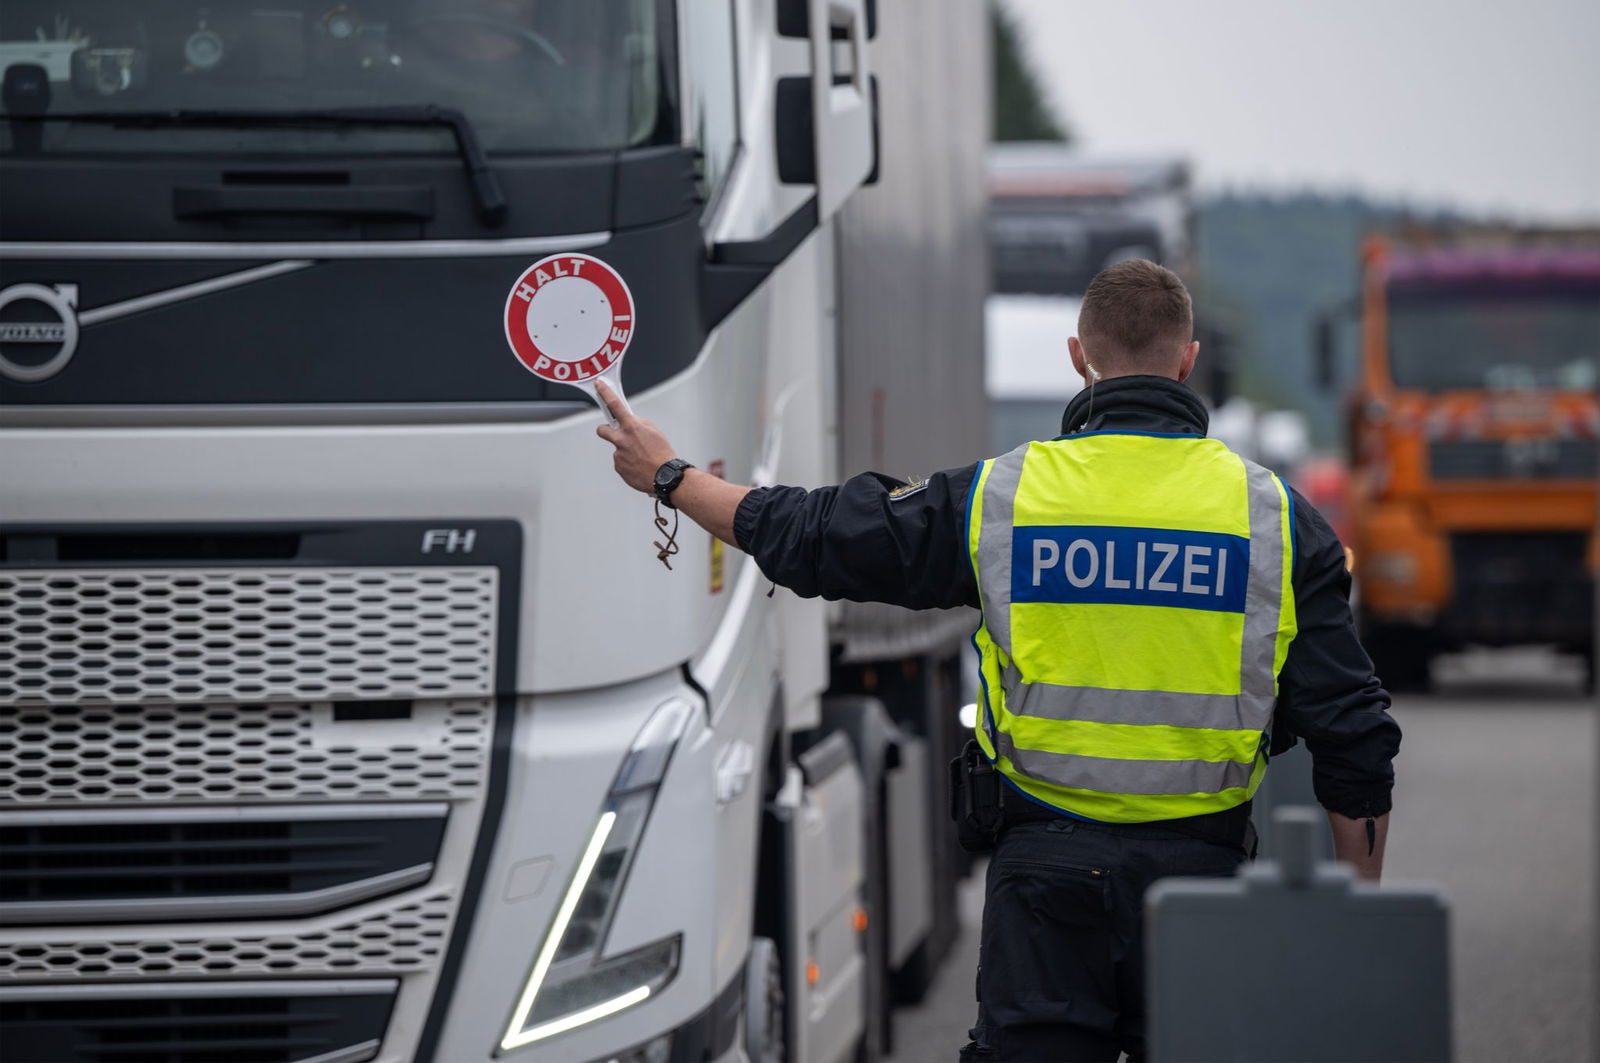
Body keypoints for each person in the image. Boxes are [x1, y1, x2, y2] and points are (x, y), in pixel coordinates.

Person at [594, 259, 1401, 1063]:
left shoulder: (1002, 499)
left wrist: (672, 477)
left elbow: (816, 535)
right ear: (1187, 360)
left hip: (1044, 886)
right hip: (1204, 883)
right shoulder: (1276, 519)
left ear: (1079, 357)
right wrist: (1357, 914)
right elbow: (1354, 731)